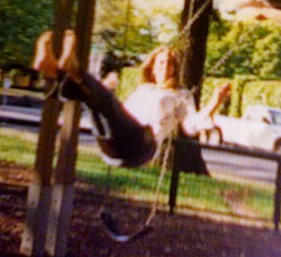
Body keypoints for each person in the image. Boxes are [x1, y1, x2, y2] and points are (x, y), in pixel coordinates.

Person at [32, 30, 231, 168]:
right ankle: (55, 71)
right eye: (161, 62)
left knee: (103, 101)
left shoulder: (181, 95)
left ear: (175, 69)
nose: (165, 66)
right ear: (152, 67)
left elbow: (190, 126)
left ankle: (70, 69)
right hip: (112, 149)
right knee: (93, 101)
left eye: (170, 63)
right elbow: (120, 114)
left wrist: (215, 102)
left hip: (142, 147)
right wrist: (108, 89)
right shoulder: (143, 90)